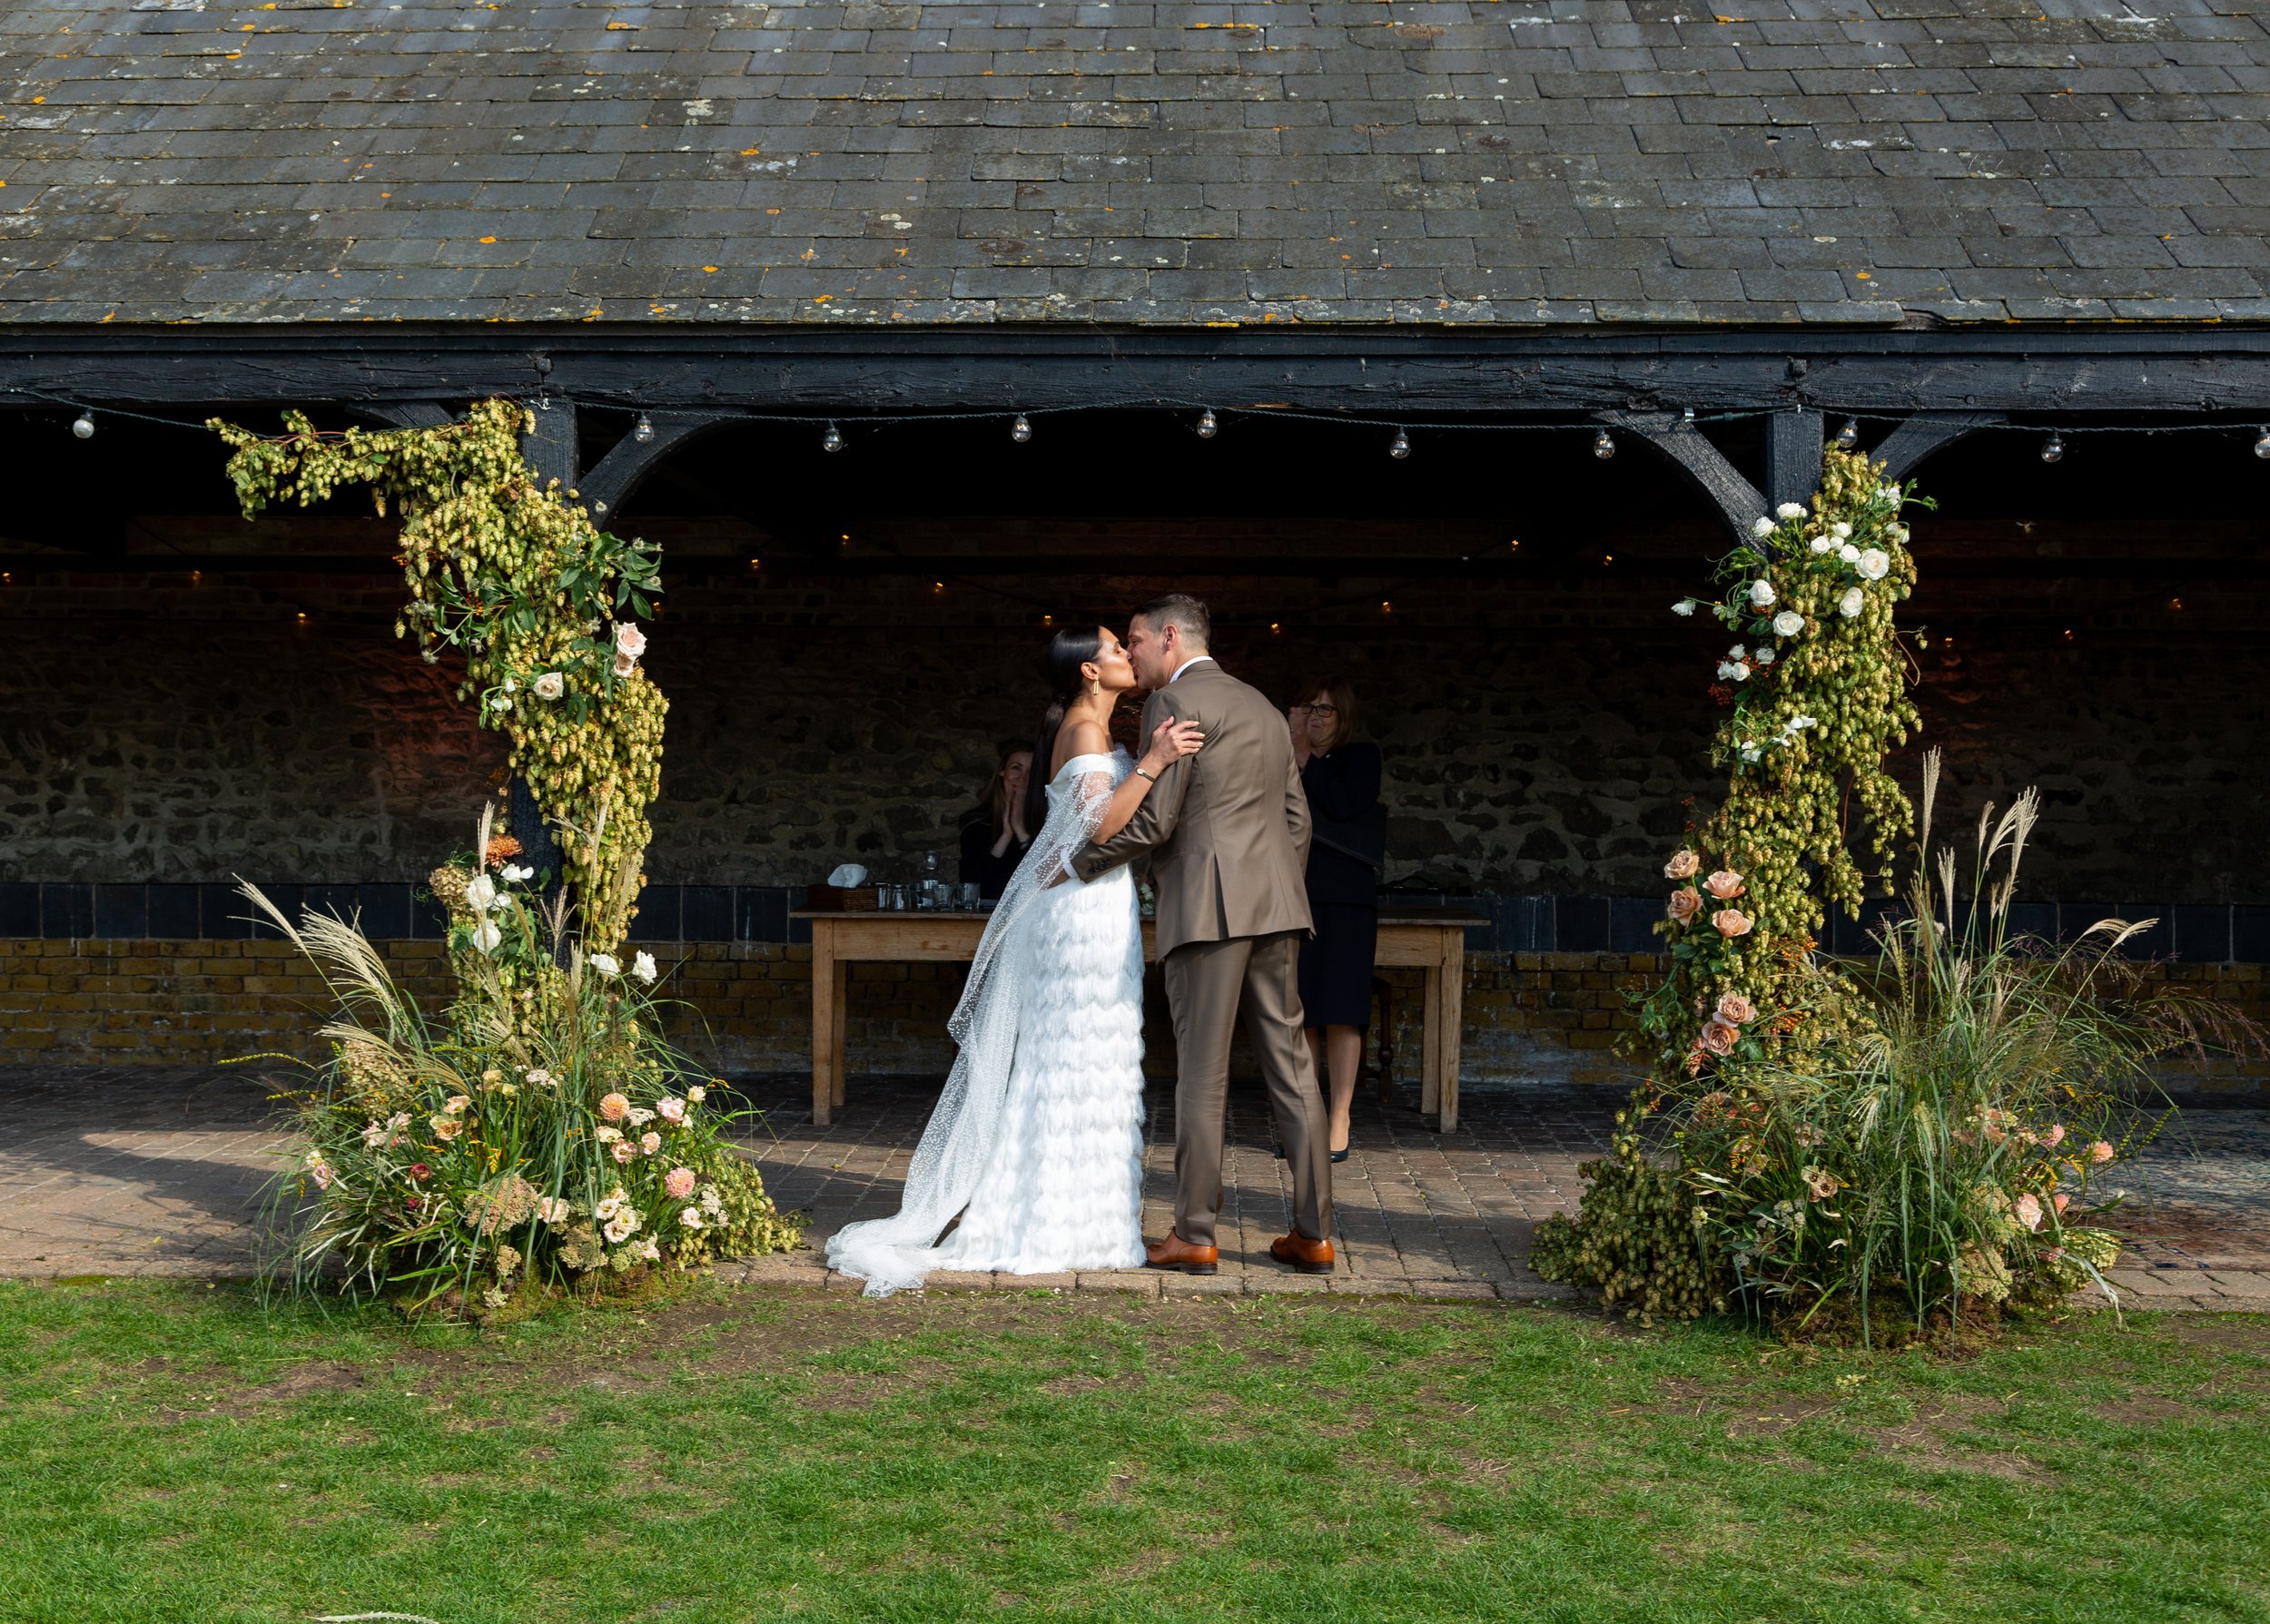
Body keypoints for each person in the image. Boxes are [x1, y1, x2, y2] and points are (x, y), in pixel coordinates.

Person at [826, 625, 1205, 1295]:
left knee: (1094, 1063)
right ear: (1090, 672)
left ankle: (1091, 1222)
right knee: (1066, 1062)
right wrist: (1152, 761)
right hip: (1078, 920)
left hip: (1098, 909)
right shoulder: (1086, 735)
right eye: (1116, 649)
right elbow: (1100, 829)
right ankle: (1048, 1222)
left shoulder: (1091, 732)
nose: (1126, 656)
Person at [1073, 594, 1336, 1277]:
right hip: (1277, 907)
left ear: (1169, 636)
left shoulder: (1173, 704)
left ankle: (1193, 1232)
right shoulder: (1263, 708)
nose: (1130, 654)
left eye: (1135, 639)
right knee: (1293, 1066)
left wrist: (1081, 860)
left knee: (1203, 1072)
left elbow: (1157, 822)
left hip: (1207, 910)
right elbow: (1297, 821)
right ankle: (1314, 1233)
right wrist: (1274, 884)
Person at [1289, 676, 1384, 1164]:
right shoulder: (1284, 758)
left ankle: (1340, 1117)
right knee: (1300, 1008)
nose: (1315, 718)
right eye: (1308, 707)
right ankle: (1305, 1118)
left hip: (1346, 899)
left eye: (1325, 711)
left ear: (1343, 718)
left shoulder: (1361, 758)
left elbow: (1345, 805)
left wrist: (1306, 755)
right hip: (1294, 894)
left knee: (1342, 1010)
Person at [959, 742, 1033, 901]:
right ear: (1002, 771)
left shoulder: (1048, 820)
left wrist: (1021, 832)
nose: (1023, 777)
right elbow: (972, 884)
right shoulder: (975, 822)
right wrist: (1006, 836)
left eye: (1032, 771)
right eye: (1016, 768)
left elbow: (1045, 875)